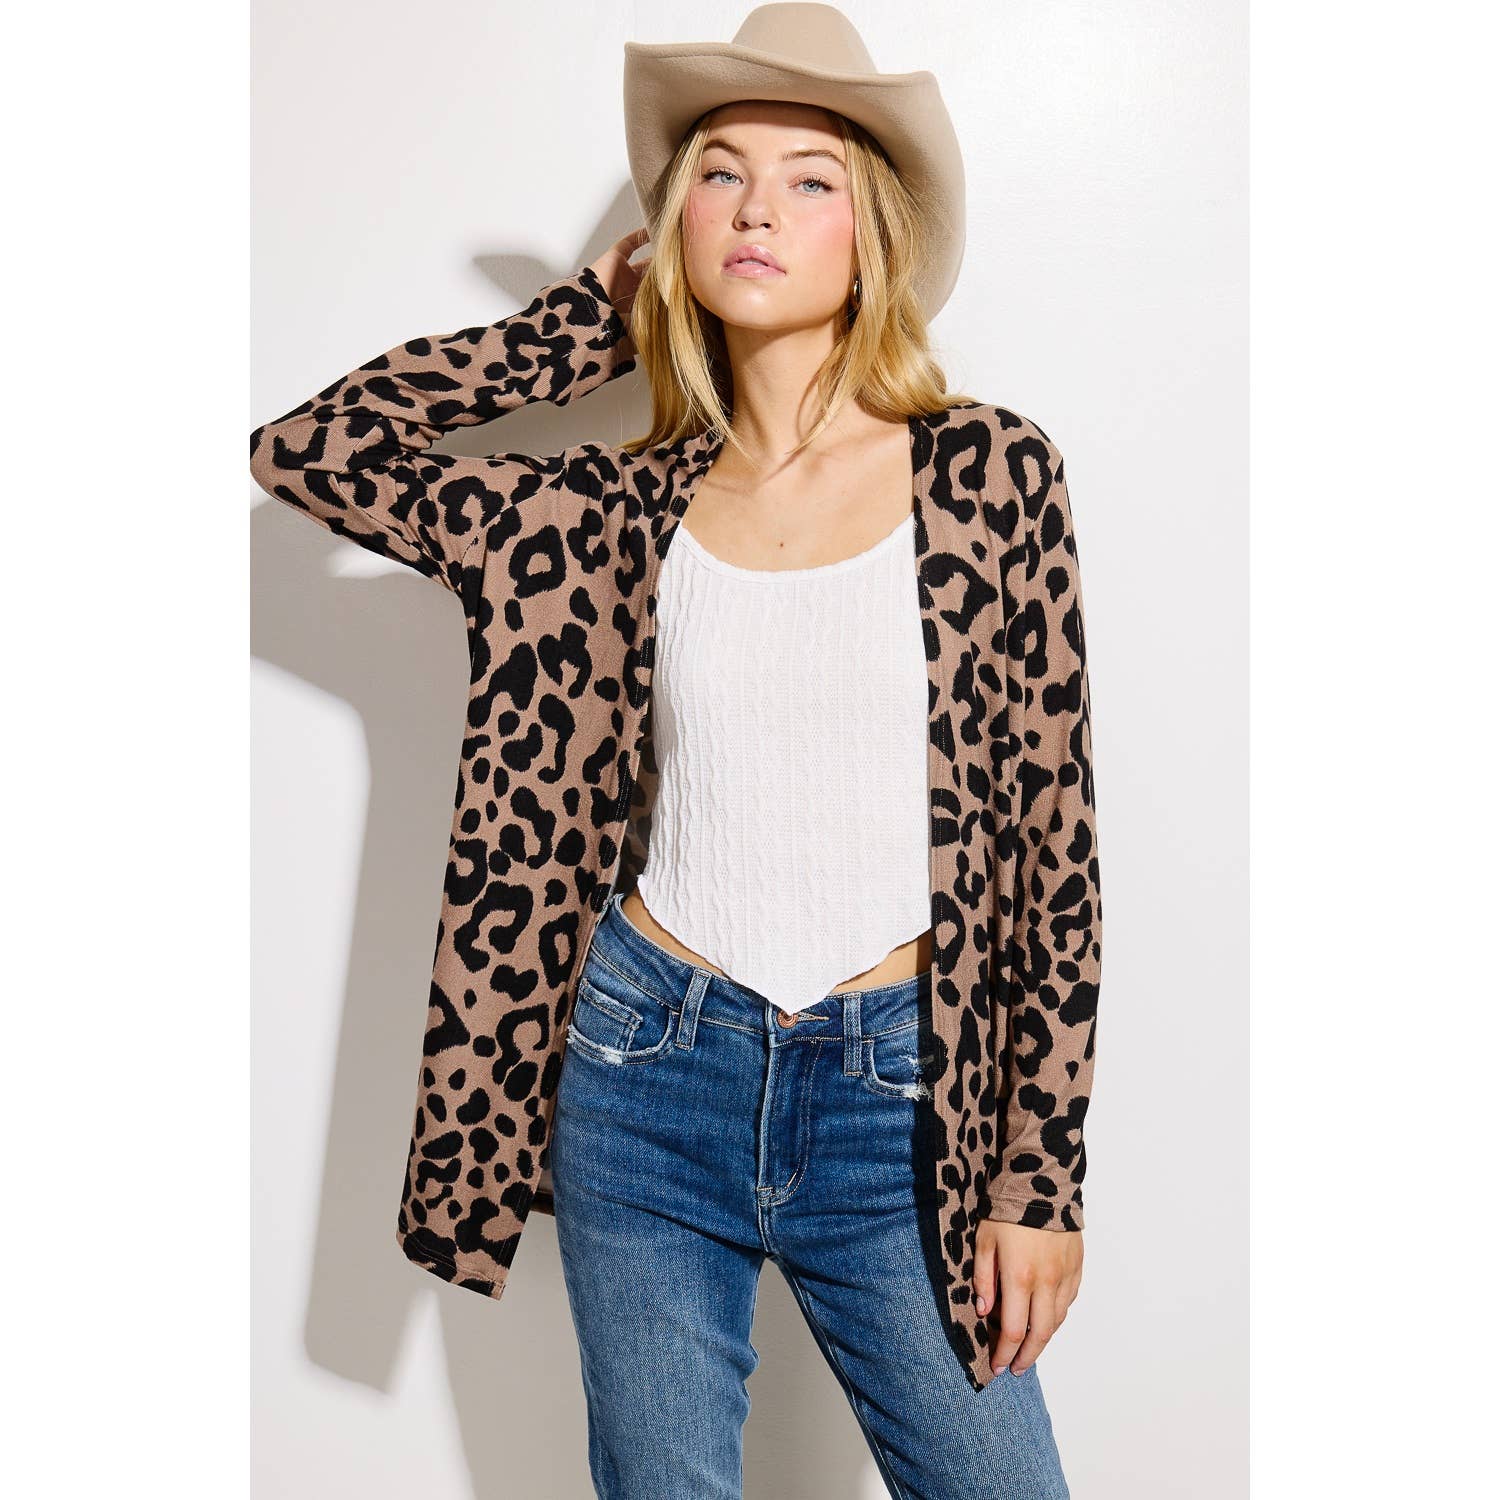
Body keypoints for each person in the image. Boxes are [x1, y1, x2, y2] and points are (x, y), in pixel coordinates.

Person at [251, 6, 1099, 1497]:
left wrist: (1040, 1178)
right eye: (721, 173)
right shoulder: (602, 514)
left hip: (898, 1096)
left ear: (871, 236)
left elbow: (1053, 839)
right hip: (647, 1077)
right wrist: (579, 326)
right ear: (675, 228)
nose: (759, 207)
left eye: (810, 179)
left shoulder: (988, 474)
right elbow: (308, 452)